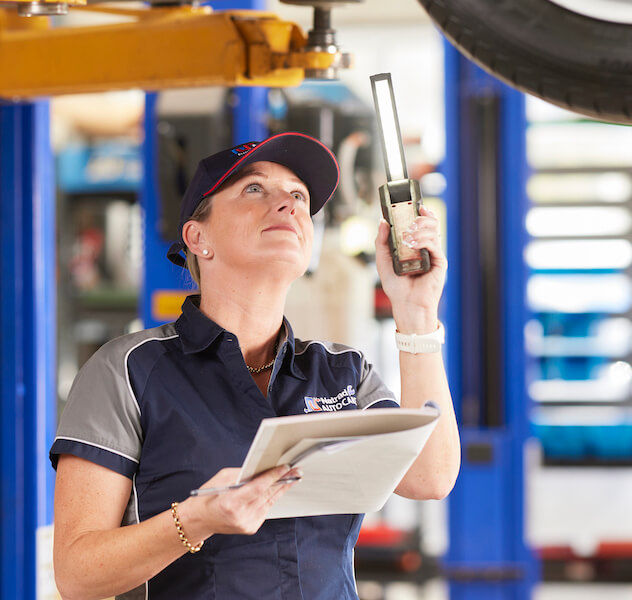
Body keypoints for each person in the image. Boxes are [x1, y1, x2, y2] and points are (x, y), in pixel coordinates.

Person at [49, 132, 459, 599]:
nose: (286, 204)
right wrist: (197, 519)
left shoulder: (344, 372)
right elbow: (78, 575)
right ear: (197, 237)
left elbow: (429, 477)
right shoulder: (126, 371)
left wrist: (417, 312)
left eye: (298, 195)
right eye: (254, 189)